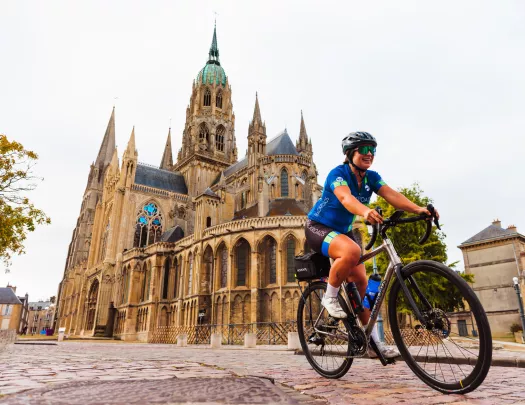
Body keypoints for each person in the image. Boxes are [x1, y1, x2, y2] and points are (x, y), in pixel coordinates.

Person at [305, 131, 438, 358]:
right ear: (350, 153)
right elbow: (346, 199)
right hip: (318, 227)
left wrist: (418, 210)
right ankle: (330, 297)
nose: (369, 154)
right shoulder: (337, 174)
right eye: (364, 150)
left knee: (363, 287)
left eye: (373, 150)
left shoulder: (371, 177)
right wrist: (366, 211)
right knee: (352, 250)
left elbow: (391, 194)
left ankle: (373, 344)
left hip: (344, 231)